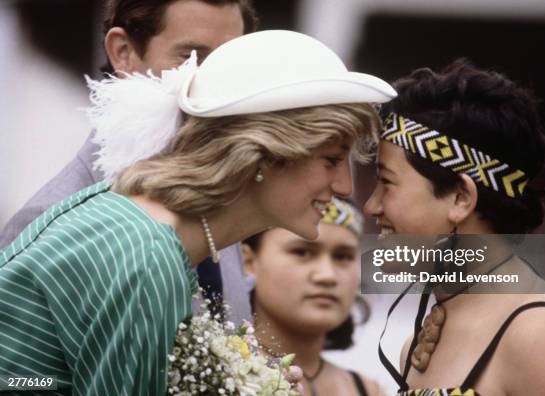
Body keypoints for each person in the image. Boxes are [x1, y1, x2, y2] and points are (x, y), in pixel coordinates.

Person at [0, 30, 396, 395]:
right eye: (330, 159)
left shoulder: (142, 226)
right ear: (263, 153)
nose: (345, 186)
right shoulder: (146, 257)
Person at [0, 0, 258, 323]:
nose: (217, 83)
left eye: (228, 63)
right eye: (192, 57)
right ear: (123, 52)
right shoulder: (48, 223)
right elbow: (17, 376)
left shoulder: (226, 200)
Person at [364, 60, 545, 394]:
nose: (371, 206)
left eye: (387, 182)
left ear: (461, 198)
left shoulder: (542, 336)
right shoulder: (418, 345)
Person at [242, 198, 384, 396]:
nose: (327, 275)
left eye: (343, 256)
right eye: (302, 252)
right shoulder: (221, 373)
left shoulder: (368, 390)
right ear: (248, 261)